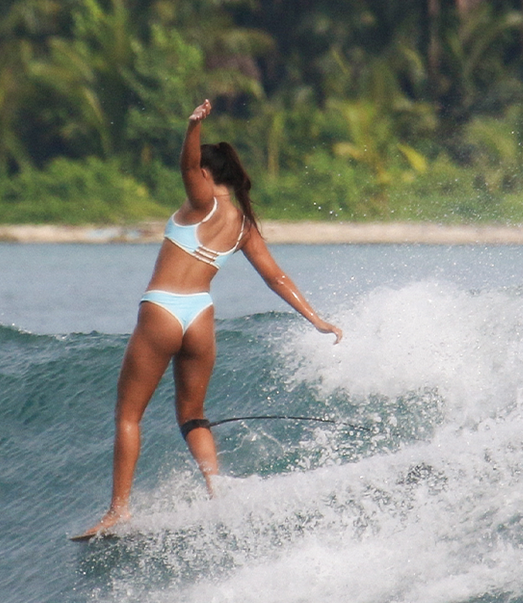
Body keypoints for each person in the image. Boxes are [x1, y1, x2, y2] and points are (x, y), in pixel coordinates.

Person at [72, 99, 343, 539]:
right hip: (200, 316)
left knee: (128, 415)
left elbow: (186, 164)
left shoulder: (203, 204)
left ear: (206, 174)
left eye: (198, 171)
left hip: (162, 311)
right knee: (193, 415)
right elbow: (276, 277)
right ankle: (218, 493)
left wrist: (192, 128)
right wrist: (317, 319)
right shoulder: (242, 225)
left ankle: (119, 510)